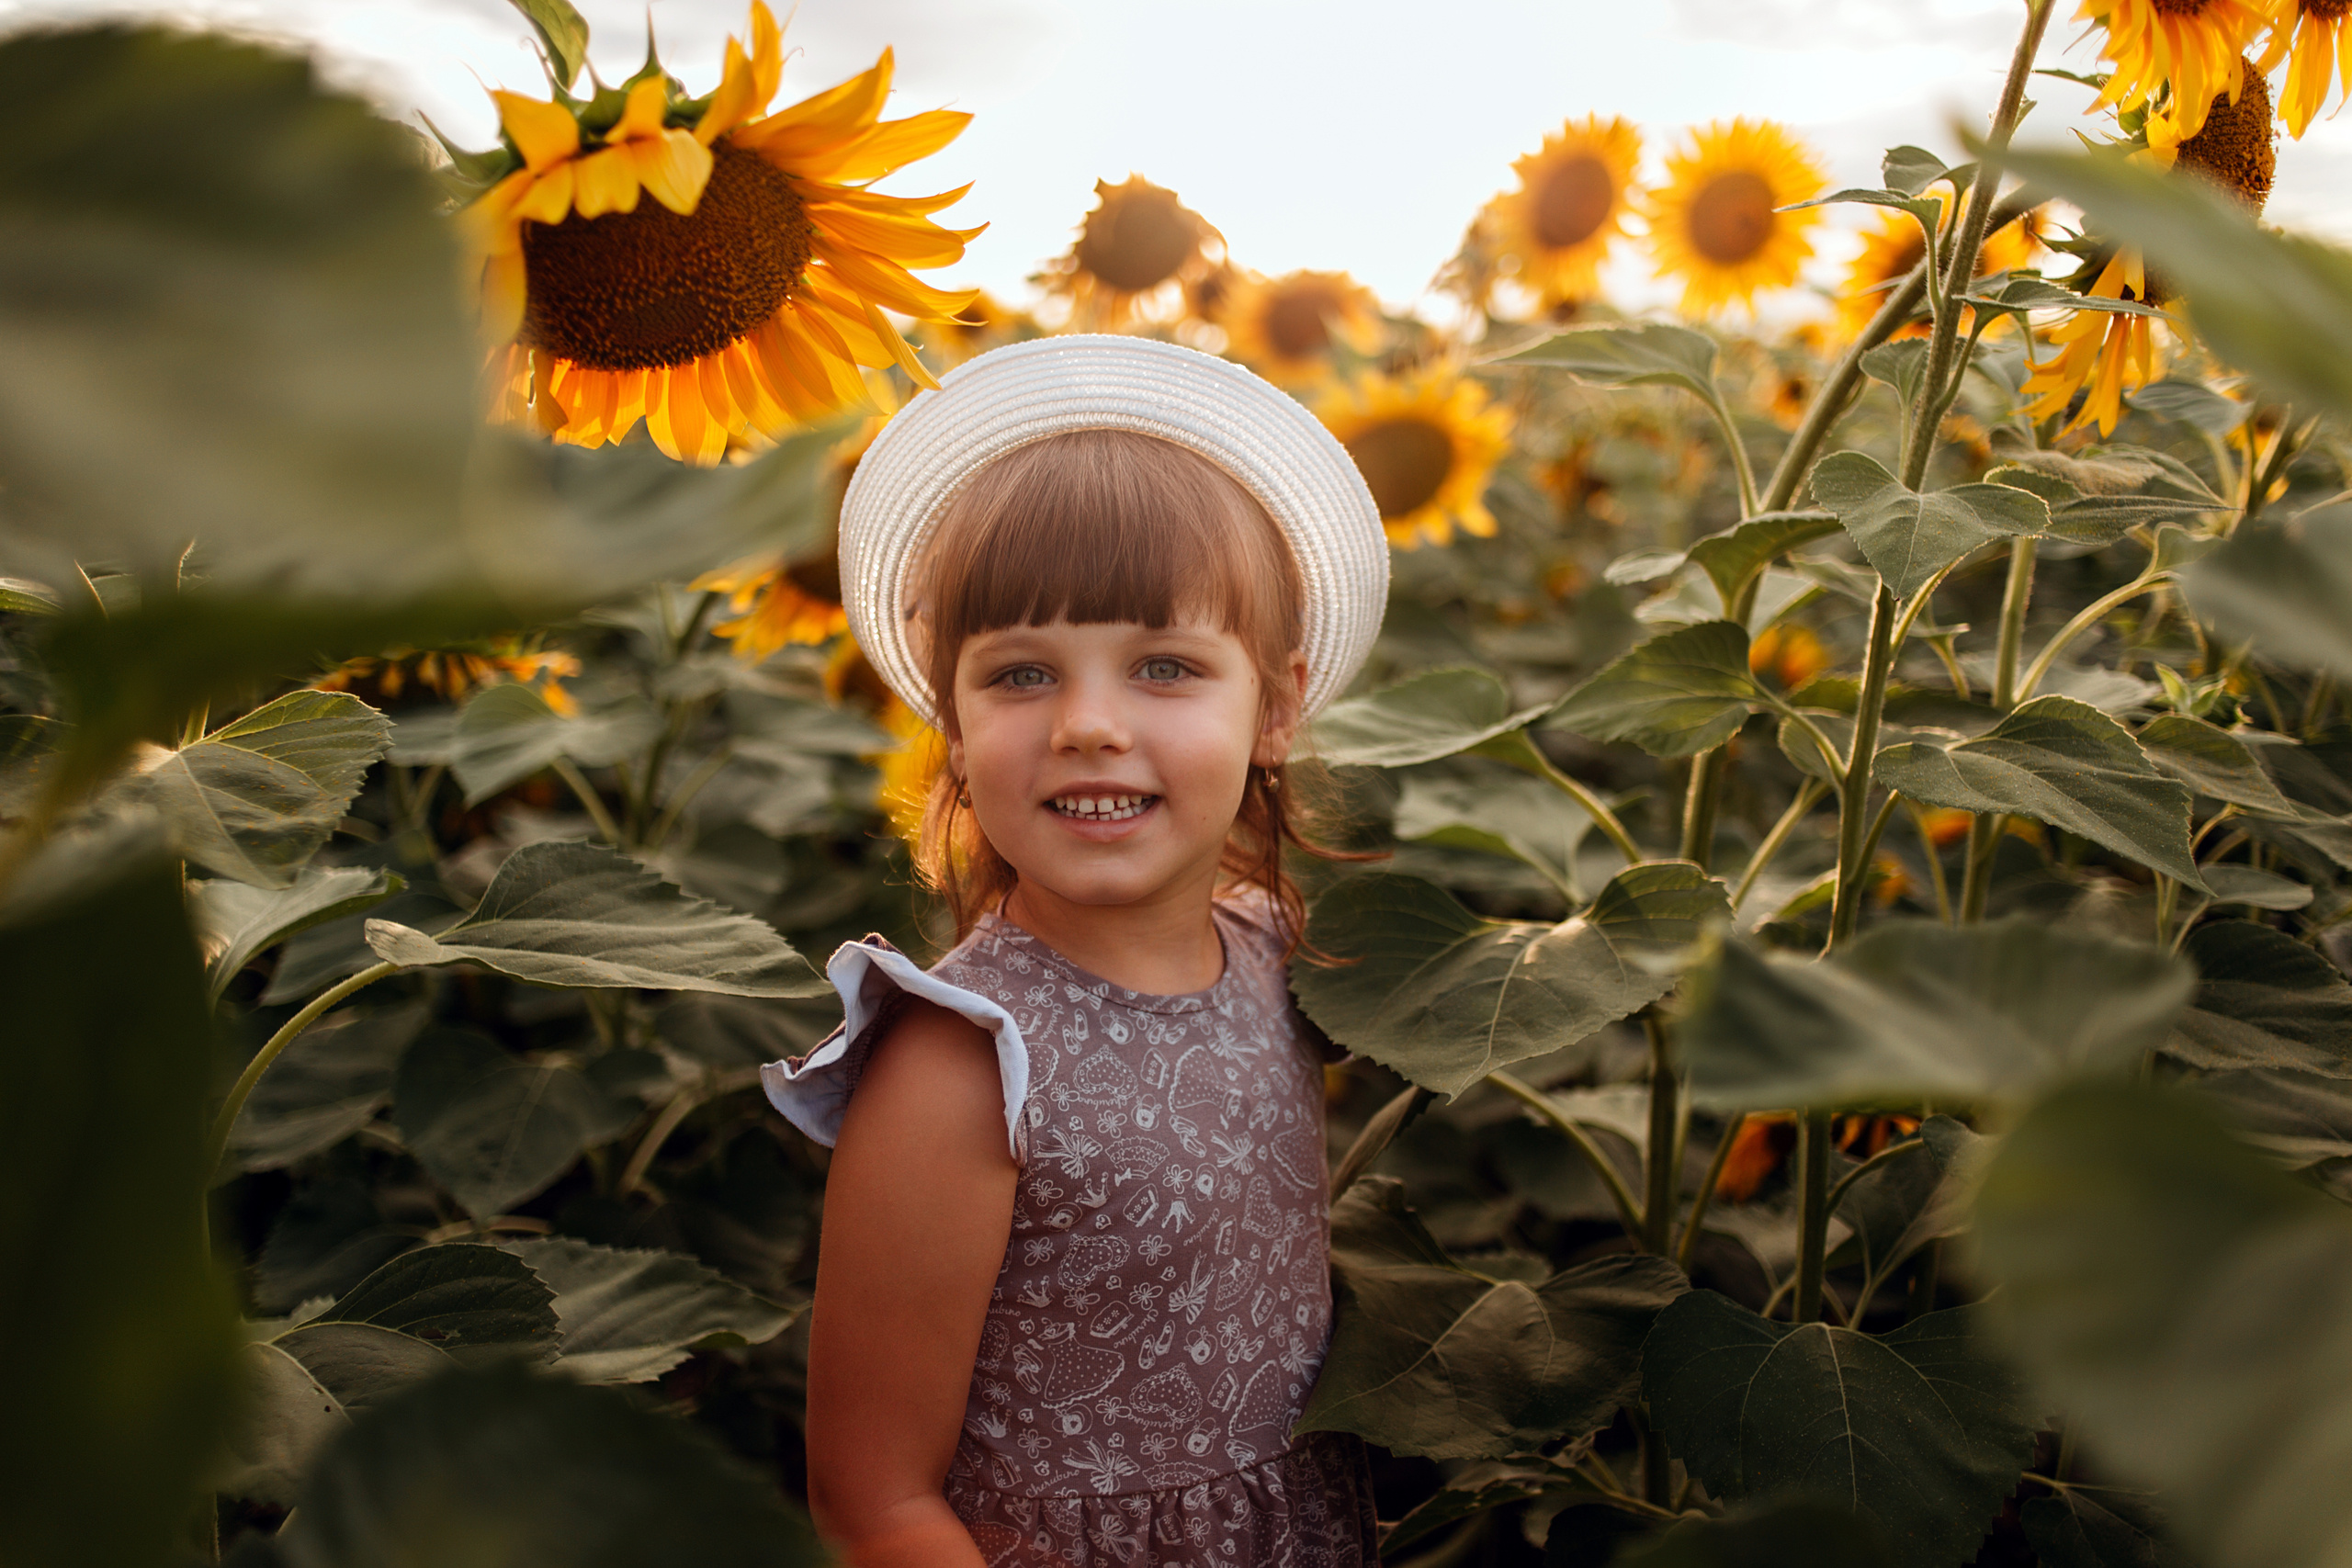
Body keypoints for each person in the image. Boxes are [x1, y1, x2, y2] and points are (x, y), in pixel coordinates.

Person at [763, 335, 1391, 1568]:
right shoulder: (960, 1066)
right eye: (1022, 675)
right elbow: (874, 1502)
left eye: (1164, 667)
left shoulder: (1277, 957)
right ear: (953, 727)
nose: (1090, 725)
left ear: (1272, 710)